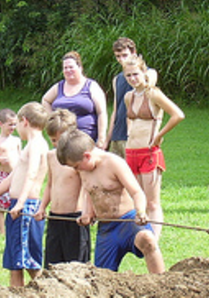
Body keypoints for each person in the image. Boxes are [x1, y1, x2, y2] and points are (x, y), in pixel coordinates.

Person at [56, 129, 164, 274]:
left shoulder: (114, 163)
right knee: (101, 274)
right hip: (106, 228)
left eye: (76, 166)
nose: (76, 170)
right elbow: (90, 191)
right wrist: (88, 213)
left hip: (128, 220)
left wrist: (141, 212)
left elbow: (137, 192)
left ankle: (161, 281)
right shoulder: (84, 169)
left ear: (87, 156)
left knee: (148, 240)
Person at [0, 102, 49, 287]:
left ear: (24, 121)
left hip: (25, 207)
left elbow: (32, 174)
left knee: (28, 262)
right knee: (15, 262)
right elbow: (12, 177)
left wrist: (20, 203)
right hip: (16, 204)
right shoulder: (29, 145)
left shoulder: (36, 145)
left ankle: (47, 292)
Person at [123, 55, 184, 240]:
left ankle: (154, 239)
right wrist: (129, 133)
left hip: (148, 152)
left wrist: (159, 135)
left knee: (152, 203)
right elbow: (129, 119)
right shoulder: (128, 96)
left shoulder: (153, 94)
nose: (133, 79)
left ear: (143, 73)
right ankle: (141, 237)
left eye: (135, 74)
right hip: (130, 152)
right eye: (128, 76)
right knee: (136, 200)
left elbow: (178, 114)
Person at [35, 109, 90, 266]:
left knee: (76, 264)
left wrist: (85, 212)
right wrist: (42, 207)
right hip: (55, 217)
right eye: (53, 141)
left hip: (75, 218)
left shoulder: (77, 159)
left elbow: (86, 187)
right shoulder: (51, 156)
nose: (57, 145)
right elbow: (50, 184)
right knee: (52, 263)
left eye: (61, 141)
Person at [103, 38, 157, 159]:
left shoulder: (148, 73)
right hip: (117, 137)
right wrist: (108, 139)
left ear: (134, 53)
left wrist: (137, 67)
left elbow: (149, 83)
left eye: (125, 55)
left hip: (135, 136)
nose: (122, 59)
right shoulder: (117, 79)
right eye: (118, 56)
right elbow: (116, 111)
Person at [42, 51, 108, 146]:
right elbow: (45, 100)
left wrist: (101, 138)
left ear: (80, 67)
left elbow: (101, 113)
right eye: (65, 68)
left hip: (85, 139)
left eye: (71, 67)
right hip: (62, 141)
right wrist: (53, 120)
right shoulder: (59, 86)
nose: (68, 70)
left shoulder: (91, 86)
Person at [0, 108, 21, 235]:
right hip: (3, 175)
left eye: (15, 124)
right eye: (10, 124)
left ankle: (14, 227)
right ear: (1, 124)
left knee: (15, 200)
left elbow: (20, 155)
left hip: (16, 174)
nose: (13, 127)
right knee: (1, 205)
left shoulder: (17, 140)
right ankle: (2, 230)